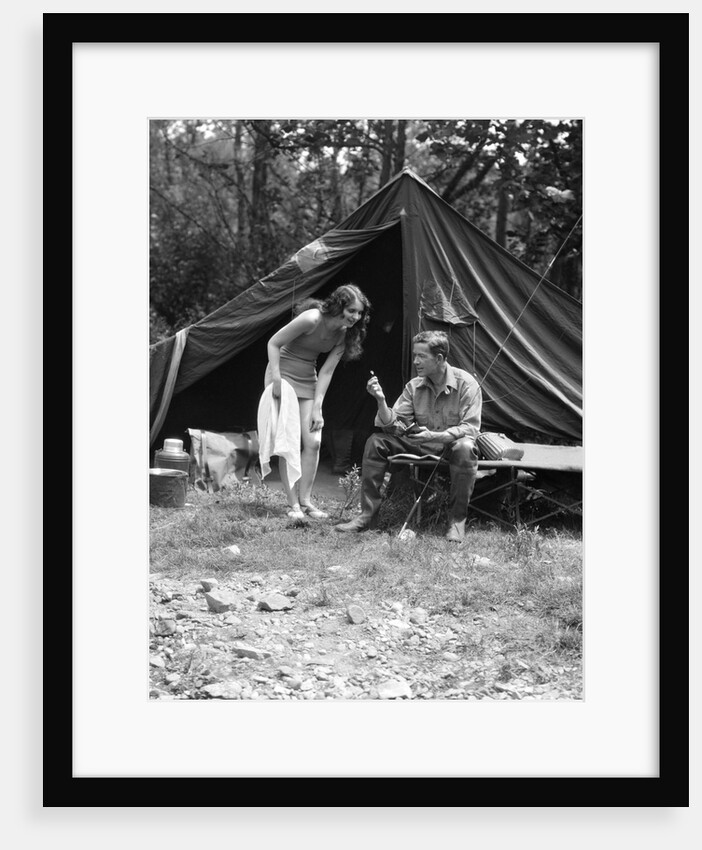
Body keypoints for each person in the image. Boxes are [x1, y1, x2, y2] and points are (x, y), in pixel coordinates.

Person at [334, 330, 482, 542]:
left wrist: (436, 436)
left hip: (450, 449)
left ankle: (456, 522)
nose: (415, 361)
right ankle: (367, 517)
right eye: (414, 355)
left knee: (465, 447)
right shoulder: (414, 386)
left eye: (422, 356)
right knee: (376, 442)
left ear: (439, 358)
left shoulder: (467, 384)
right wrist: (381, 400)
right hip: (420, 445)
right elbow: (392, 425)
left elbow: (471, 428)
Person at [264, 284, 372, 519]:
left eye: (359, 313)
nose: (356, 317)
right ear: (339, 305)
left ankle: (306, 501)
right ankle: (292, 504)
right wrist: (276, 378)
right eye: (352, 310)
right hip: (282, 375)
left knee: (313, 441)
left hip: (307, 379)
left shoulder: (344, 333)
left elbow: (326, 372)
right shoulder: (312, 318)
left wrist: (317, 408)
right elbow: (273, 343)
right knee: (289, 442)